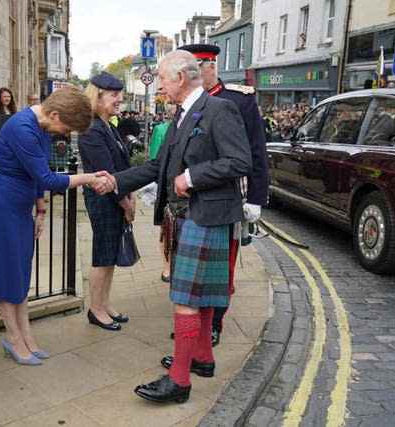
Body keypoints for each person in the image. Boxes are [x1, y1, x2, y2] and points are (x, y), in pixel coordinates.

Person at [96, 50, 251, 404]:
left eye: (163, 80)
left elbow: (240, 161)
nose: (161, 88)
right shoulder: (182, 115)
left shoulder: (219, 109)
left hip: (205, 214)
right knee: (203, 295)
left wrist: (192, 177)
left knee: (185, 299)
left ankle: (179, 381)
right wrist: (114, 181)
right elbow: (157, 166)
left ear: (180, 78)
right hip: (189, 215)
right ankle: (202, 358)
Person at [0, 86, 112, 366]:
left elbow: (33, 175)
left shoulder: (39, 126)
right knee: (5, 270)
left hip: (16, 202)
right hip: (0, 203)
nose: (63, 133)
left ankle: (26, 335)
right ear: (54, 113)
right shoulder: (22, 127)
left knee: (19, 270)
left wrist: (41, 209)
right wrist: (89, 177)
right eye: (65, 127)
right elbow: (47, 178)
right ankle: (13, 338)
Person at [178, 44, 269, 347]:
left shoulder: (237, 101)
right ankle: (194, 325)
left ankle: (213, 324)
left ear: (210, 66)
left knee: (220, 269)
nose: (202, 71)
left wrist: (256, 197)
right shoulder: (186, 102)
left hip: (226, 196)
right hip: (189, 198)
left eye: (204, 65)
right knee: (190, 268)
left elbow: (255, 151)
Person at [78, 72, 134, 331]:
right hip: (103, 199)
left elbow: (121, 166)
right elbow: (106, 172)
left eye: (119, 95)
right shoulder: (91, 129)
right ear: (97, 97)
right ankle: (95, 309)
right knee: (102, 255)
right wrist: (126, 203)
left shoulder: (107, 125)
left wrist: (128, 194)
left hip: (115, 197)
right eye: (114, 95)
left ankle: (105, 304)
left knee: (110, 254)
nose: (119, 100)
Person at [148, 103, 175, 282]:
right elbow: (154, 159)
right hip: (166, 187)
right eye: (171, 104)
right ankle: (167, 267)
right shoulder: (161, 129)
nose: (174, 107)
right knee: (166, 228)